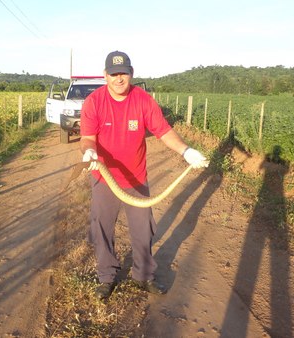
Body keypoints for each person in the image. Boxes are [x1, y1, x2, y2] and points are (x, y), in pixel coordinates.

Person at [79, 50, 209, 300]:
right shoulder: (94, 102)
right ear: (105, 75)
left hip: (136, 178)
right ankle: (106, 277)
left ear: (132, 74)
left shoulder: (143, 100)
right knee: (102, 228)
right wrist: (89, 152)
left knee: (143, 230)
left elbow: (163, 131)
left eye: (123, 73)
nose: (119, 78)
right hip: (104, 178)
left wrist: (186, 151)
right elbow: (86, 138)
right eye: (114, 74)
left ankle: (144, 276)